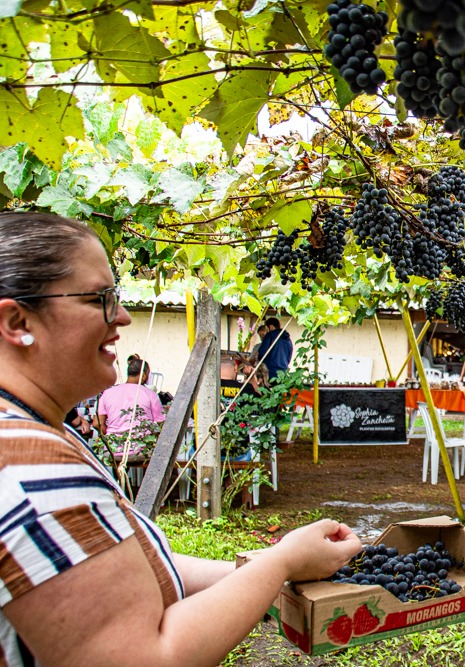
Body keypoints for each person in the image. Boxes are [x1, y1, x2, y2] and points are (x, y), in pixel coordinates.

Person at [0, 212, 361, 666]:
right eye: (101, 300)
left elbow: (142, 570)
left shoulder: (35, 436)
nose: (124, 317)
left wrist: (268, 570)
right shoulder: (27, 467)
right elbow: (145, 658)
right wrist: (282, 564)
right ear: (17, 322)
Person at [96, 355, 166, 449]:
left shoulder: (107, 393)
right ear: (144, 375)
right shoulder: (150, 394)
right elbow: (162, 423)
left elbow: (97, 423)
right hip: (141, 449)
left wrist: (109, 437)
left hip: (113, 448)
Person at [259, 316, 293, 381]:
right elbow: (289, 356)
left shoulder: (270, 335)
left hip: (270, 371)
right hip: (283, 371)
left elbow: (262, 353)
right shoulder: (287, 339)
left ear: (271, 327)